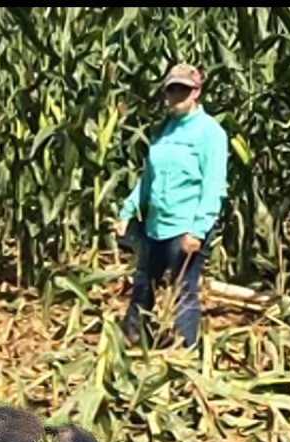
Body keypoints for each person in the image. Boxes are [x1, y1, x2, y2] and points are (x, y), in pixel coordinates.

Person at [116, 62, 228, 349]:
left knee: (183, 292)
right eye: (171, 91)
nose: (176, 96)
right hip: (155, 226)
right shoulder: (163, 130)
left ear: (196, 92)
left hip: (185, 228)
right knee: (143, 286)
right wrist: (128, 210)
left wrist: (198, 230)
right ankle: (131, 342)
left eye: (183, 90)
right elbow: (148, 177)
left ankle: (185, 351)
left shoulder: (210, 133)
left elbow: (213, 186)